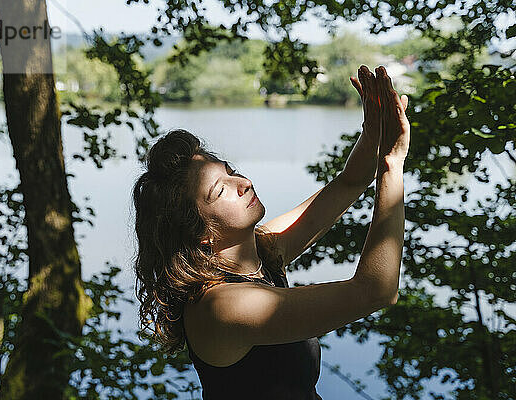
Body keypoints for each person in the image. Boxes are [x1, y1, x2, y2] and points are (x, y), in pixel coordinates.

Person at [132, 65, 410, 399]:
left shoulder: (258, 252)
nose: (244, 183)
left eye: (232, 172)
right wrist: (392, 166)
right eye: (221, 190)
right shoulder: (222, 307)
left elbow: (348, 183)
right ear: (199, 232)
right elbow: (375, 291)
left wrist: (374, 131)